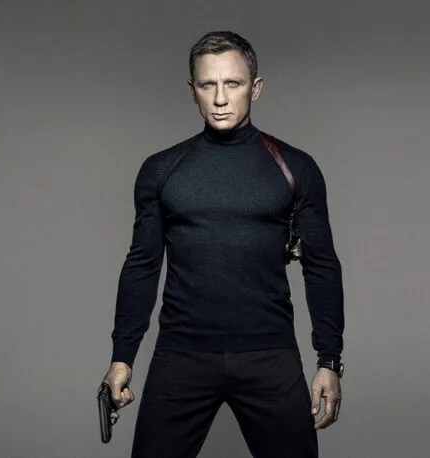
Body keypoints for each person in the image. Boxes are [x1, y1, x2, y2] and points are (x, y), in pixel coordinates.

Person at [101, 30, 345, 458]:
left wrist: (329, 360)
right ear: (191, 90)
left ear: (256, 88)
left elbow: (321, 266)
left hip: (269, 355)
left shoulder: (295, 168)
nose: (219, 98)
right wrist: (122, 357)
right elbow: (142, 266)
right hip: (182, 355)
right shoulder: (161, 170)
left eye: (232, 83)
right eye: (207, 84)